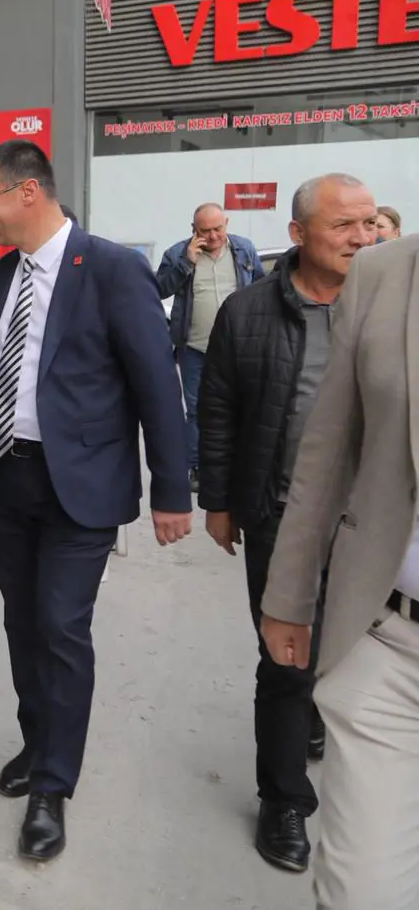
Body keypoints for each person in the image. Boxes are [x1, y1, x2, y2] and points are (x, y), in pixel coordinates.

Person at [0, 139, 190, 862]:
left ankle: (54, 784)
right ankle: (37, 741)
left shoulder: (112, 270)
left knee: (60, 627)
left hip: (80, 487)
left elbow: (157, 387)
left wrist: (172, 489)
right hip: (8, 479)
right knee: (23, 624)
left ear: (27, 192)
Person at [197, 173, 378, 872]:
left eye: (369, 224)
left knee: (359, 658)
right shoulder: (247, 313)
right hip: (281, 515)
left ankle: (313, 725)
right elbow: (217, 413)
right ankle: (284, 802)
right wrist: (218, 501)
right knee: (285, 660)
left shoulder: (391, 305)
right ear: (299, 235)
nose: (362, 239)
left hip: (373, 523)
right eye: (345, 227)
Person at [261, 231, 419, 910]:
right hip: (391, 643)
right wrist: (289, 592)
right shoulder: (386, 274)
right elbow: (327, 447)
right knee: (361, 892)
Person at [156, 203, 262, 491]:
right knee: (196, 410)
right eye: (205, 231)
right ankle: (197, 468)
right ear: (194, 230)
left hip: (238, 347)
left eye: (218, 229)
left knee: (240, 405)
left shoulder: (244, 250)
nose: (213, 236)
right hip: (195, 348)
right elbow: (158, 290)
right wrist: (186, 263)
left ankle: (237, 465)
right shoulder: (178, 253)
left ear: (226, 223)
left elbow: (263, 288)